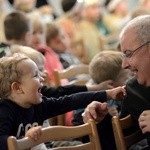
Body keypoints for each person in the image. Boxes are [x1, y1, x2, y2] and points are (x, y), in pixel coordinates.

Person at [0, 53, 125, 150]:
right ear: (17, 88)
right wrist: (23, 139)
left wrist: (108, 94)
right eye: (35, 75)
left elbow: (71, 100)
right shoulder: (4, 111)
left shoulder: (40, 105)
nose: (42, 78)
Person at [82, 15, 150, 149]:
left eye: (128, 54)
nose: (124, 64)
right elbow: (119, 142)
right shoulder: (134, 91)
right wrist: (100, 121)